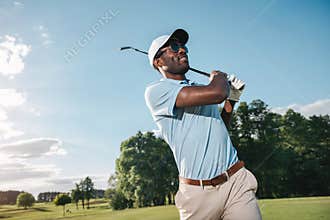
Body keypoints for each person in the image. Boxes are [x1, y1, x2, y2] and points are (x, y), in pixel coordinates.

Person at [144, 29, 262, 220]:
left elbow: (220, 126)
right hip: (197, 193)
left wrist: (232, 99)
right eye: (173, 47)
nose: (182, 50)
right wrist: (220, 76)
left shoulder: (201, 88)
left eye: (183, 46)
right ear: (158, 62)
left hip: (235, 181)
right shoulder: (157, 91)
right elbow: (217, 93)